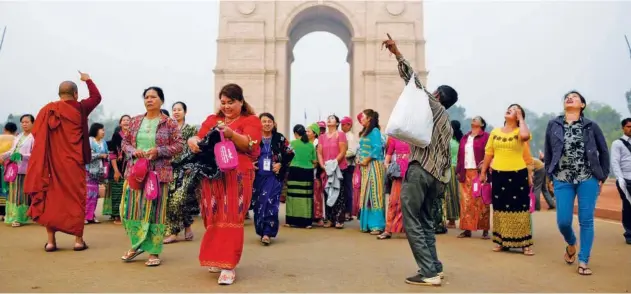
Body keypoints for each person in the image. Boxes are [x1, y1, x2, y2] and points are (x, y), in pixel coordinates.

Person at [383, 38, 457, 286]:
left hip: (420, 171)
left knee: (412, 218)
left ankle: (428, 272)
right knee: (425, 221)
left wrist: (397, 53)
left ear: (437, 95)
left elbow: (412, 81)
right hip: (437, 177)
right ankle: (434, 266)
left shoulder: (432, 105)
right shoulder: (447, 122)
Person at [188, 83, 262, 285]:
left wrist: (231, 134)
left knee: (231, 215)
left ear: (241, 101)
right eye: (223, 103)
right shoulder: (212, 119)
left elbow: (251, 145)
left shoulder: (251, 120)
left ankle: (228, 265)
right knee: (212, 215)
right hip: (212, 175)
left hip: (237, 174)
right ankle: (216, 256)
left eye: (231, 102)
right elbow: (199, 136)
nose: (227, 107)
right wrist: (192, 140)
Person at [25, 71, 101, 252]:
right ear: (75, 94)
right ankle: (78, 241)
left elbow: (37, 134)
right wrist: (87, 79)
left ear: (60, 94)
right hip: (74, 164)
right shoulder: (80, 108)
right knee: (76, 198)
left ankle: (51, 242)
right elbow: (96, 97)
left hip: (52, 164)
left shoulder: (47, 110)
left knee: (52, 199)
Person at [545, 91, 609, 275]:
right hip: (562, 179)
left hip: (587, 178)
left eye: (575, 97)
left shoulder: (591, 126)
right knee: (563, 221)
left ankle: (583, 260)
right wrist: (550, 175)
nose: (569, 98)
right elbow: (548, 152)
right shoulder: (554, 125)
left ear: (582, 105)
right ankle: (572, 243)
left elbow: (603, 152)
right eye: (567, 96)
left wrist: (602, 176)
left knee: (586, 220)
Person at [120, 86, 183, 267]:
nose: (149, 100)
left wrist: (159, 151)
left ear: (161, 100)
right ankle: (136, 245)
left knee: (156, 211)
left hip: (158, 174)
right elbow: (125, 142)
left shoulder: (169, 123)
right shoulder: (135, 121)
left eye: (153, 97)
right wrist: (134, 151)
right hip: (136, 172)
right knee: (132, 210)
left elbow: (179, 145)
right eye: (146, 97)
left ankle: (154, 251)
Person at [480, 104, 534, 256]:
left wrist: (521, 119)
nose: (511, 109)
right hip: (498, 174)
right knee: (500, 207)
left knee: (519, 208)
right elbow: (488, 152)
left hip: (518, 174)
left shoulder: (520, 131)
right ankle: (501, 241)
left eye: (515, 109)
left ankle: (525, 243)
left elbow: (524, 137)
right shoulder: (495, 132)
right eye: (510, 108)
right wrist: (483, 172)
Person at [253, 113, 293, 244]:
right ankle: (261, 229)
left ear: (274, 123)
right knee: (260, 204)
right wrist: (250, 163)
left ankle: (267, 232)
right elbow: (245, 153)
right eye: (264, 121)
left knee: (271, 203)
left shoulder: (279, 138)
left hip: (274, 176)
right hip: (258, 177)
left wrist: (281, 163)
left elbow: (291, 152)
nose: (267, 124)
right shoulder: (254, 138)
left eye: (269, 121)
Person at [164, 101, 199, 244]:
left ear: (185, 112)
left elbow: (196, 149)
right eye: (174, 110)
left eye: (179, 109)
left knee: (182, 198)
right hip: (171, 168)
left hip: (186, 168)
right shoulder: (168, 129)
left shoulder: (191, 130)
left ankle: (184, 226)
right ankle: (174, 231)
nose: (176, 112)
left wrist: (193, 166)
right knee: (171, 199)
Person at [455, 116, 490, 239]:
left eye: (476, 119)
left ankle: (485, 229)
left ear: (481, 124)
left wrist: (485, 170)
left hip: (479, 172)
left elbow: (489, 154)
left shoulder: (486, 136)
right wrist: (458, 170)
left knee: (481, 201)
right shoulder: (465, 137)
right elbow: (460, 155)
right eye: (473, 119)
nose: (473, 120)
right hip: (466, 172)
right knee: (466, 201)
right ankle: (467, 229)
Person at [1, 115, 35, 227]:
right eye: (22, 122)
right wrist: (3, 155)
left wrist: (22, 155)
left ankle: (20, 218)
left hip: (24, 170)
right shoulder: (18, 137)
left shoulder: (34, 137)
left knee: (20, 194)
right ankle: (11, 216)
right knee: (12, 193)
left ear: (32, 123)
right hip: (13, 169)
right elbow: (12, 150)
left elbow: (35, 154)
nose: (24, 124)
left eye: (27, 122)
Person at [317, 115, 349, 229]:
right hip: (326, 168)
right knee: (327, 192)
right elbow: (319, 152)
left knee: (339, 192)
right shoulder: (322, 137)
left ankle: (339, 219)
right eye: (328, 118)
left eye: (332, 118)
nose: (329, 119)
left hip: (338, 167)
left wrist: (334, 163)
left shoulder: (341, 134)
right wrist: (322, 165)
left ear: (337, 123)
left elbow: (343, 151)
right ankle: (330, 218)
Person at [357, 109, 385, 234]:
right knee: (366, 195)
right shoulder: (365, 132)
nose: (361, 119)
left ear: (369, 118)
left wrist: (366, 160)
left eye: (363, 117)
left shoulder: (375, 131)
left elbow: (377, 148)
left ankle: (377, 225)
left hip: (374, 166)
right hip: (365, 167)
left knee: (375, 194)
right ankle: (367, 223)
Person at [285, 124, 317, 229]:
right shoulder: (310, 145)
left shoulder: (292, 143)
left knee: (292, 196)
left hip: (294, 171)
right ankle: (307, 222)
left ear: (295, 134)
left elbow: (286, 156)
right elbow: (314, 161)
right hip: (307, 172)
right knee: (306, 196)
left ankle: (290, 221)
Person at [378, 136, 410, 240]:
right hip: (398, 175)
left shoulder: (414, 136)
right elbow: (387, 157)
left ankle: (410, 231)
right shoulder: (393, 137)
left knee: (410, 202)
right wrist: (390, 167)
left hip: (412, 174)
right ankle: (388, 230)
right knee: (394, 201)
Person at [103, 115, 131, 224]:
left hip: (131, 168)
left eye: (128, 120)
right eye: (124, 120)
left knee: (129, 192)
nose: (126, 122)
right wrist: (115, 170)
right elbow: (113, 154)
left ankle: (127, 215)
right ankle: (117, 216)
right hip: (119, 168)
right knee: (117, 191)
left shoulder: (134, 136)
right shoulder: (116, 136)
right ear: (120, 124)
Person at [611, 117, 631, 245]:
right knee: (628, 207)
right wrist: (620, 178)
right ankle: (629, 233)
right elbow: (615, 162)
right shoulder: (617, 144)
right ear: (623, 128)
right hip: (625, 179)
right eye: (629, 126)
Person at [444, 120, 462, 229]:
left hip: (448, 168)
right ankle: (453, 218)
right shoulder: (460, 140)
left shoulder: (449, 141)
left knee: (449, 195)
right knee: (454, 194)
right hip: (457, 169)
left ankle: (451, 221)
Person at [341, 116, 357, 220]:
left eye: (343, 124)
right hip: (344, 164)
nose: (342, 126)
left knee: (347, 189)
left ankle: (348, 212)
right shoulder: (344, 135)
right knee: (343, 189)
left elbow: (352, 151)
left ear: (349, 125)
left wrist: (340, 155)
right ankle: (345, 211)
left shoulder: (350, 137)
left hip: (348, 165)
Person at [0, 122, 17, 221]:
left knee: (1, 189)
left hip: (0, 165)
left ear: (4, 129)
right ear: (15, 131)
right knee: (9, 189)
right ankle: (8, 213)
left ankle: (0, 213)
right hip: (9, 167)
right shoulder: (15, 139)